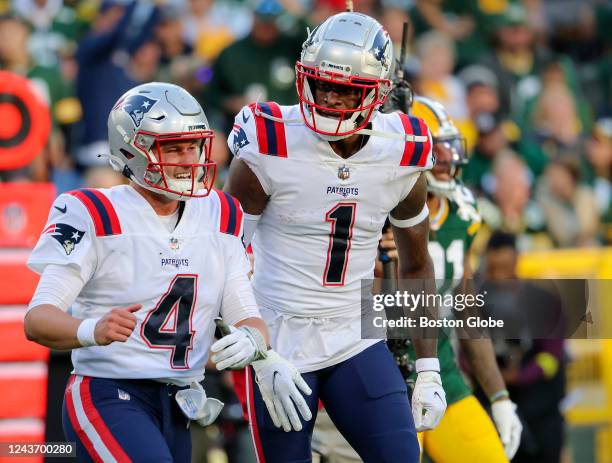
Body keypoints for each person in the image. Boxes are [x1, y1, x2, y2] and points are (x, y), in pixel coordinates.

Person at [23, 82, 311, 463]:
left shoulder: (220, 213)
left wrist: (254, 346)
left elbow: (247, 316)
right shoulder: (93, 211)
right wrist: (91, 329)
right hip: (107, 393)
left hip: (178, 402)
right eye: (173, 147)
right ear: (132, 150)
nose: (188, 158)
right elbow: (36, 319)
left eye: (193, 146)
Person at [224, 12, 446, 463]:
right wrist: (257, 347)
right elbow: (222, 254)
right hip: (278, 337)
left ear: (378, 92)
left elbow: (417, 265)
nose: (327, 97)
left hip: (354, 336)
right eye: (320, 83)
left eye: (345, 89)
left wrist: (429, 368)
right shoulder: (269, 141)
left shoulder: (401, 150)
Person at [311, 96, 523, 463]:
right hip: (380, 373)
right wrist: (376, 267)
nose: (445, 160)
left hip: (441, 372)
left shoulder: (463, 213)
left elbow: (467, 312)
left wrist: (500, 396)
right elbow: (353, 307)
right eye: (435, 151)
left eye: (448, 148)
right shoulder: (371, 208)